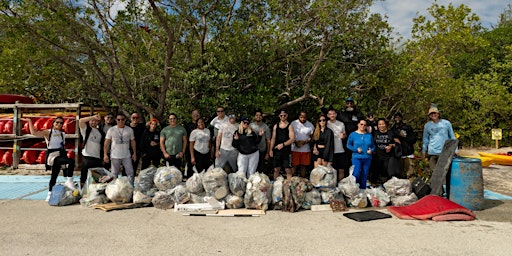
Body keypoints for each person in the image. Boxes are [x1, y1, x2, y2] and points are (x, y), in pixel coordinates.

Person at [25, 116, 76, 201]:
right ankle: (69, 181)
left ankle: (49, 193)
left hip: (60, 154)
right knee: (71, 161)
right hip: (52, 156)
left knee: (54, 175)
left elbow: (62, 146)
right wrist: (30, 122)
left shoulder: (63, 134)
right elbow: (34, 133)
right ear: (53, 123)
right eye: (57, 122)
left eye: (61, 123)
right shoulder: (48, 132)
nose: (59, 124)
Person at [421, 106, 456, 177]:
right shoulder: (427, 126)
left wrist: (455, 149)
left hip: (444, 152)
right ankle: (436, 188)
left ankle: (444, 187)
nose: (433, 115)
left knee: (443, 174)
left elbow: (452, 137)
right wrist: (423, 151)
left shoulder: (446, 123)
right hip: (432, 152)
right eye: (431, 114)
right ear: (429, 115)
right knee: (434, 174)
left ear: (438, 114)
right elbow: (425, 139)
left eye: (435, 113)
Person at [103, 113, 137, 185]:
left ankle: (130, 188)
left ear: (125, 120)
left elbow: (133, 142)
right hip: (115, 155)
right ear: (116, 120)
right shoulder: (111, 130)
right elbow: (106, 143)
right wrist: (105, 154)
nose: (120, 121)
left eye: (122, 120)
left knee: (130, 173)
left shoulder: (129, 130)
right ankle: (114, 189)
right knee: (114, 174)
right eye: (118, 120)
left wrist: (134, 153)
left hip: (126, 155)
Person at [346, 119, 375, 189]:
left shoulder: (369, 135)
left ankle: (363, 190)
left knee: (364, 174)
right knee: (356, 173)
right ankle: (354, 189)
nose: (363, 126)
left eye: (365, 125)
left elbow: (373, 146)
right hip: (357, 157)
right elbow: (348, 145)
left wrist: (371, 150)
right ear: (358, 124)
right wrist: (355, 149)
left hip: (367, 157)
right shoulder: (353, 134)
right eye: (361, 124)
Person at [337, 97, 365, 169]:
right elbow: (330, 115)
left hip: (357, 140)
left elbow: (364, 124)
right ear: (345, 104)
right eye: (348, 103)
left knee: (357, 157)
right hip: (345, 140)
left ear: (353, 104)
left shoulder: (359, 114)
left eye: (351, 103)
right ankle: (347, 176)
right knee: (346, 158)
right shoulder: (341, 114)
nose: (349, 105)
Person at [79, 114, 105, 189]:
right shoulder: (86, 130)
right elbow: (81, 121)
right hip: (87, 155)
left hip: (97, 157)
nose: (93, 122)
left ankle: (96, 193)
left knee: (98, 177)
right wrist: (93, 117)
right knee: (84, 176)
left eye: (96, 121)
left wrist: (102, 157)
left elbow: (102, 145)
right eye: (92, 120)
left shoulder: (101, 132)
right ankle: (82, 192)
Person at [390, 112, 418, 179]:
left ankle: (412, 187)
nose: (397, 119)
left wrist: (404, 136)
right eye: (396, 117)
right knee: (400, 174)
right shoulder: (393, 129)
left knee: (410, 173)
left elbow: (413, 139)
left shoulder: (407, 127)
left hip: (408, 153)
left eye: (398, 117)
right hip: (399, 154)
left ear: (401, 118)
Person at [269, 110, 295, 180]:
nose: (283, 117)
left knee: (288, 170)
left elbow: (292, 139)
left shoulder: (290, 126)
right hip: (277, 151)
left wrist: (283, 145)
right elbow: (273, 138)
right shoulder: (276, 126)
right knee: (276, 169)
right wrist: (270, 149)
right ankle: (275, 186)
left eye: (284, 115)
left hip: (286, 151)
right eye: (281, 115)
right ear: (279, 116)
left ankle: (289, 186)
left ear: (287, 116)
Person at [373, 118, 401, 183]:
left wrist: (391, 145)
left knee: (387, 173)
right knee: (376, 172)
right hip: (378, 156)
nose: (381, 126)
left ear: (386, 124)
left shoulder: (391, 133)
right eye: (379, 124)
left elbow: (398, 143)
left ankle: (387, 186)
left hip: (388, 156)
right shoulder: (375, 133)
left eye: (383, 124)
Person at [291, 111, 314, 177]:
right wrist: (296, 142)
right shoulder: (293, 123)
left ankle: (302, 182)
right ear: (299, 116)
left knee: (303, 166)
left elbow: (312, 137)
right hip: (295, 148)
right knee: (294, 165)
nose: (303, 119)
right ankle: (292, 181)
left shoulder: (310, 125)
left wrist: (305, 142)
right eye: (301, 117)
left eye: (304, 117)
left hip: (305, 149)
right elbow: (290, 135)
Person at [326, 108, 347, 181]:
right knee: (331, 170)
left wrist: (343, 136)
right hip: (330, 151)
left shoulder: (341, 124)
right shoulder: (326, 124)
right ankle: (333, 186)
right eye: (330, 114)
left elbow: (345, 135)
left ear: (336, 114)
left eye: (333, 114)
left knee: (341, 170)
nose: (332, 115)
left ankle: (341, 187)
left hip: (340, 150)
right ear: (328, 115)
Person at [250, 109, 271, 175]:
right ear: (254, 116)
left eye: (260, 115)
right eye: (257, 115)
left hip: (262, 150)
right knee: (252, 168)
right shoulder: (250, 126)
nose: (258, 116)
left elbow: (268, 140)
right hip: (252, 150)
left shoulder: (265, 127)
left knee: (261, 169)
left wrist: (268, 153)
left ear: (262, 117)